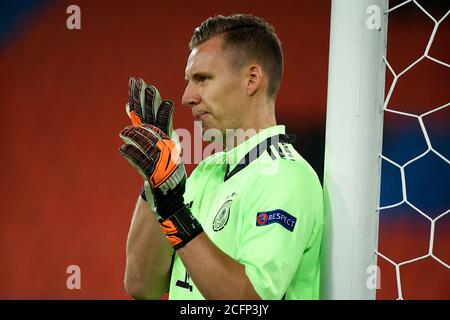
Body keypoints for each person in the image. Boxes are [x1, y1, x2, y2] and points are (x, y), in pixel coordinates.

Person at [119, 14, 324, 300]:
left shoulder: (286, 176)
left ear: (251, 79)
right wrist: (157, 187)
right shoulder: (205, 173)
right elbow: (141, 285)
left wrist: (175, 212)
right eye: (189, 81)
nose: (187, 96)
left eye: (202, 79)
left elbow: (248, 300)